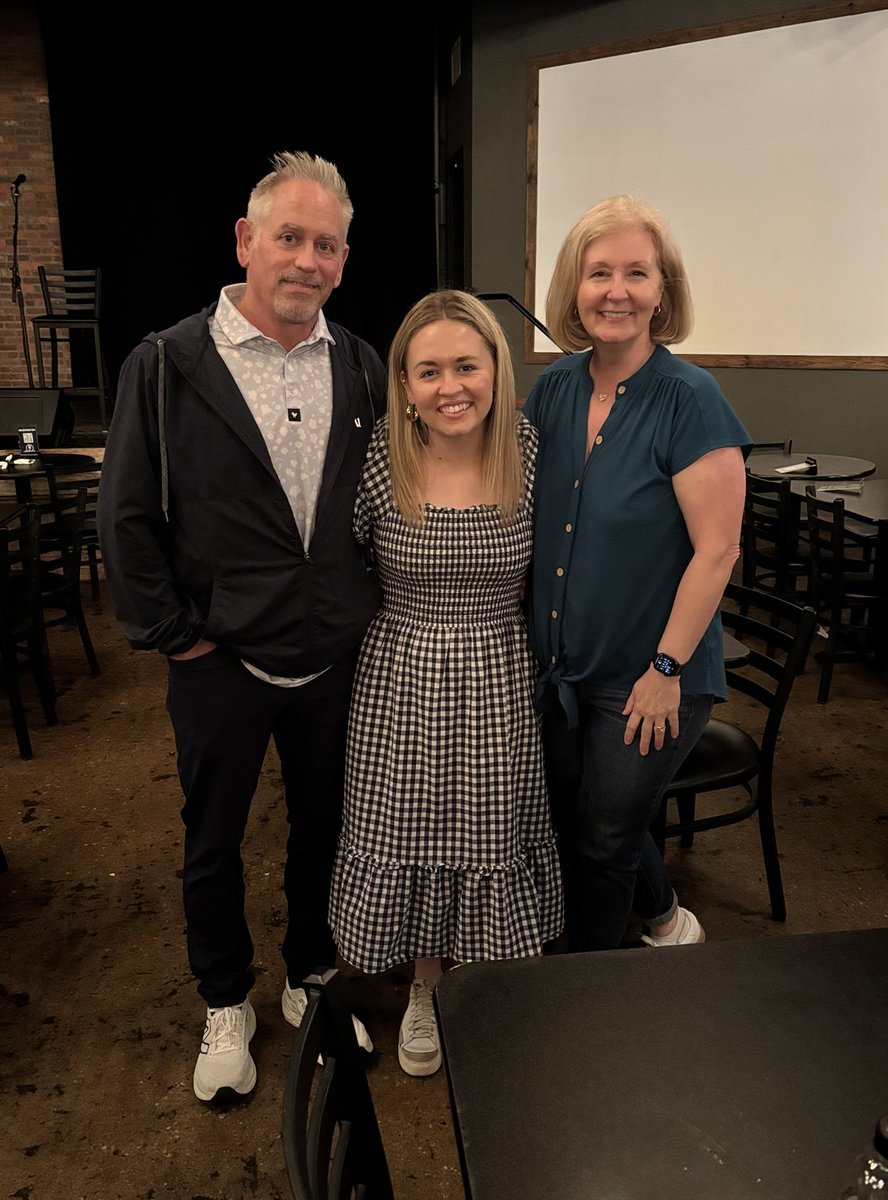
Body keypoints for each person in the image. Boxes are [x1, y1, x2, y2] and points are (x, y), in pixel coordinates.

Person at [96, 151, 386, 1103]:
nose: (307, 260)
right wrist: (174, 635)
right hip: (217, 662)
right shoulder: (165, 365)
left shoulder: (360, 364)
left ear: (343, 261)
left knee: (325, 826)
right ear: (245, 240)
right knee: (212, 838)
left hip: (331, 659)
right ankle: (226, 999)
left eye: (327, 245)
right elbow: (126, 517)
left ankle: (312, 973)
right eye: (290, 237)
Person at [328, 290, 564, 1077]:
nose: (450, 386)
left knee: (489, 829)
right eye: (428, 370)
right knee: (411, 830)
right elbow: (338, 562)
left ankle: (488, 983)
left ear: (497, 369)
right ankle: (425, 987)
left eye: (467, 365)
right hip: (401, 676)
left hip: (498, 672)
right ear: (403, 382)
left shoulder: (528, 452)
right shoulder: (380, 456)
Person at [523, 195, 750, 953]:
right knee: (581, 818)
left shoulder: (691, 399)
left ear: (662, 290)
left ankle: (584, 988)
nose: (615, 291)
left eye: (636, 273)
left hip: (649, 673)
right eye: (598, 273)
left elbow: (718, 551)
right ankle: (666, 918)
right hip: (563, 665)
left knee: (601, 839)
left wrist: (666, 670)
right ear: (574, 289)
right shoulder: (553, 389)